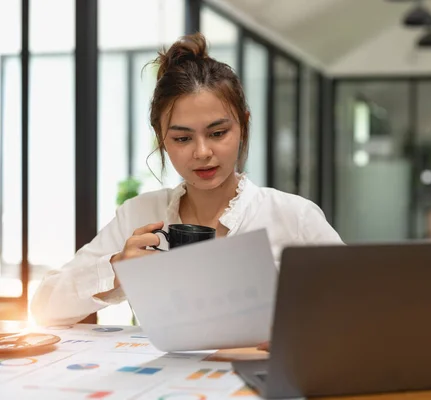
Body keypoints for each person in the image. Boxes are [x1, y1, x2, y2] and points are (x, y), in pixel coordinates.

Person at [31, 32, 342, 329]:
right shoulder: (140, 216)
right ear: (161, 138)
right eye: (182, 138)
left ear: (244, 126)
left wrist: (297, 331)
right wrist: (116, 269)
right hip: (165, 382)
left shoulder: (294, 217)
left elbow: (356, 307)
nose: (202, 152)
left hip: (262, 380)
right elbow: (44, 308)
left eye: (218, 133)